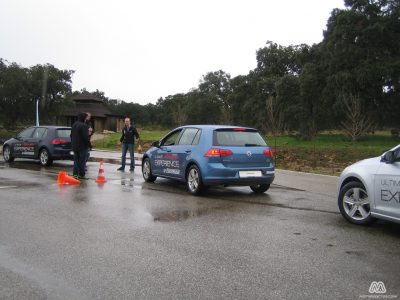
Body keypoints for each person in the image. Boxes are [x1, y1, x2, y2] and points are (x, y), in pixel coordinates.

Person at [71, 112, 90, 179]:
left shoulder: (74, 124)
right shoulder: (83, 126)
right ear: (83, 118)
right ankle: (82, 175)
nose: (86, 119)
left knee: (76, 160)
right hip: (82, 147)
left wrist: (72, 143)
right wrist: (89, 145)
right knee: (82, 161)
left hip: (75, 146)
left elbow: (71, 135)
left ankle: (75, 174)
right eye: (85, 118)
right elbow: (86, 137)